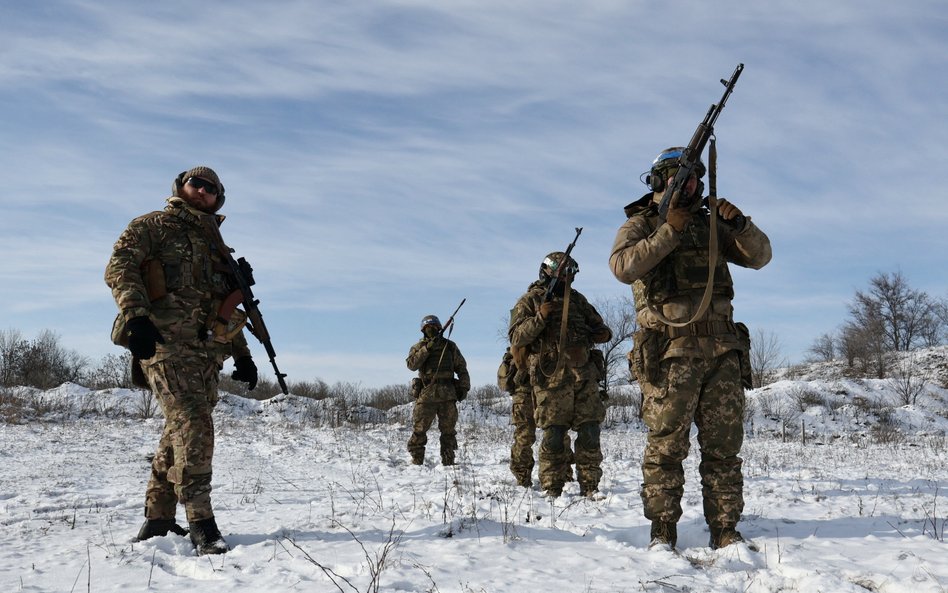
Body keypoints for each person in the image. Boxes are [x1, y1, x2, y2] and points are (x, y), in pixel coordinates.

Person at [609, 147, 772, 550]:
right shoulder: (641, 223)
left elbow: (761, 257)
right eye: (682, 178)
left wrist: (740, 224)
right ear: (661, 181)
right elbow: (623, 267)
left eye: (697, 178)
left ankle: (725, 529)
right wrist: (669, 231)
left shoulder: (710, 224)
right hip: (670, 355)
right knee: (666, 447)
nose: (692, 185)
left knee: (724, 449)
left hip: (722, 353)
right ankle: (662, 529)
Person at [105, 166, 259, 555]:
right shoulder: (153, 226)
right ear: (181, 186)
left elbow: (224, 310)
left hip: (206, 355)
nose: (202, 190)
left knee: (178, 428)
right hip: (162, 344)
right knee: (194, 422)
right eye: (196, 183)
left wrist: (243, 356)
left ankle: (157, 518)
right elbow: (119, 267)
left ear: (217, 198)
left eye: (211, 188)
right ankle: (201, 521)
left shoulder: (217, 246)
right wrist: (136, 316)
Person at [508, 253, 612, 498]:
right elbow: (517, 338)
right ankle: (552, 488)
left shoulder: (577, 300)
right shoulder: (531, 300)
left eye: (570, 273)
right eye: (563, 272)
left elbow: (602, 328)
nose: (567, 278)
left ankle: (590, 487)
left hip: (583, 375)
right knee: (554, 434)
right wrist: (541, 317)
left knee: (590, 431)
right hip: (550, 377)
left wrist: (600, 334)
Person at [406, 315, 471, 466]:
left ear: (439, 328)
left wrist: (464, 387)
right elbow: (411, 365)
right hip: (427, 393)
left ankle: (448, 461)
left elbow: (462, 368)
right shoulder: (418, 347)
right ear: (423, 330)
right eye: (428, 328)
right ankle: (416, 461)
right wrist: (427, 348)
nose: (431, 330)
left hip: (447, 394)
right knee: (419, 430)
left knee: (448, 431)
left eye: (434, 328)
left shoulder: (449, 346)